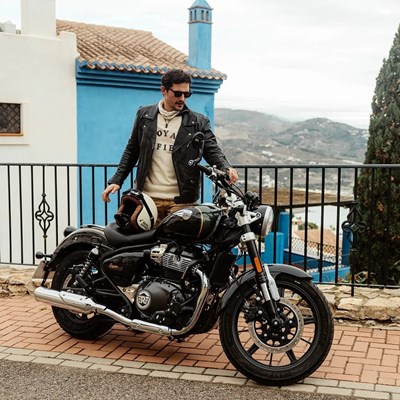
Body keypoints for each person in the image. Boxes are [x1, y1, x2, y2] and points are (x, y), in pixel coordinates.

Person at [102, 68, 238, 225]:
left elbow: (211, 149)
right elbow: (132, 149)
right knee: (145, 241)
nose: (182, 98)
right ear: (164, 90)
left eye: (187, 94)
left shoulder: (198, 121)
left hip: (182, 201)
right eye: (178, 94)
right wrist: (117, 180)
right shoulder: (145, 115)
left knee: (178, 241)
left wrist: (225, 167)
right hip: (147, 199)